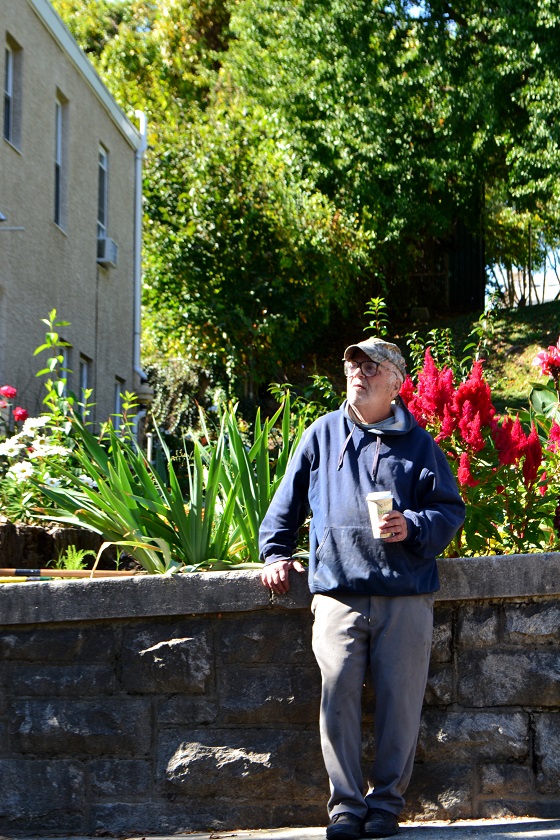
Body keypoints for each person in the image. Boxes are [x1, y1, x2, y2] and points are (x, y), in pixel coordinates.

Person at [259, 337, 465, 840]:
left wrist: (412, 525)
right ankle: (346, 809)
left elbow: (449, 510)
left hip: (406, 595)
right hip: (337, 594)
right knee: (338, 700)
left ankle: (386, 805)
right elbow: (285, 505)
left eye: (373, 367)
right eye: (353, 363)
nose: (360, 373)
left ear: (396, 382)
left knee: (401, 706)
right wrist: (276, 553)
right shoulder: (322, 435)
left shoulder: (420, 445)